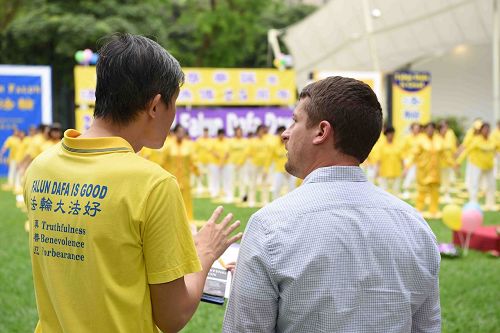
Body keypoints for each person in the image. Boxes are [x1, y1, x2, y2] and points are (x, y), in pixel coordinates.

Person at [23, 33, 241, 333]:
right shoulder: (153, 184)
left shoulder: (41, 167)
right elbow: (172, 316)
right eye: (174, 103)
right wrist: (205, 251)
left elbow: (105, 256)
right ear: (155, 106)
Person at [223, 76, 441, 333]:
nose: (285, 133)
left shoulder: (270, 226)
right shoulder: (415, 225)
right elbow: (427, 328)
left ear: (321, 132)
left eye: (295, 121)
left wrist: (255, 284)